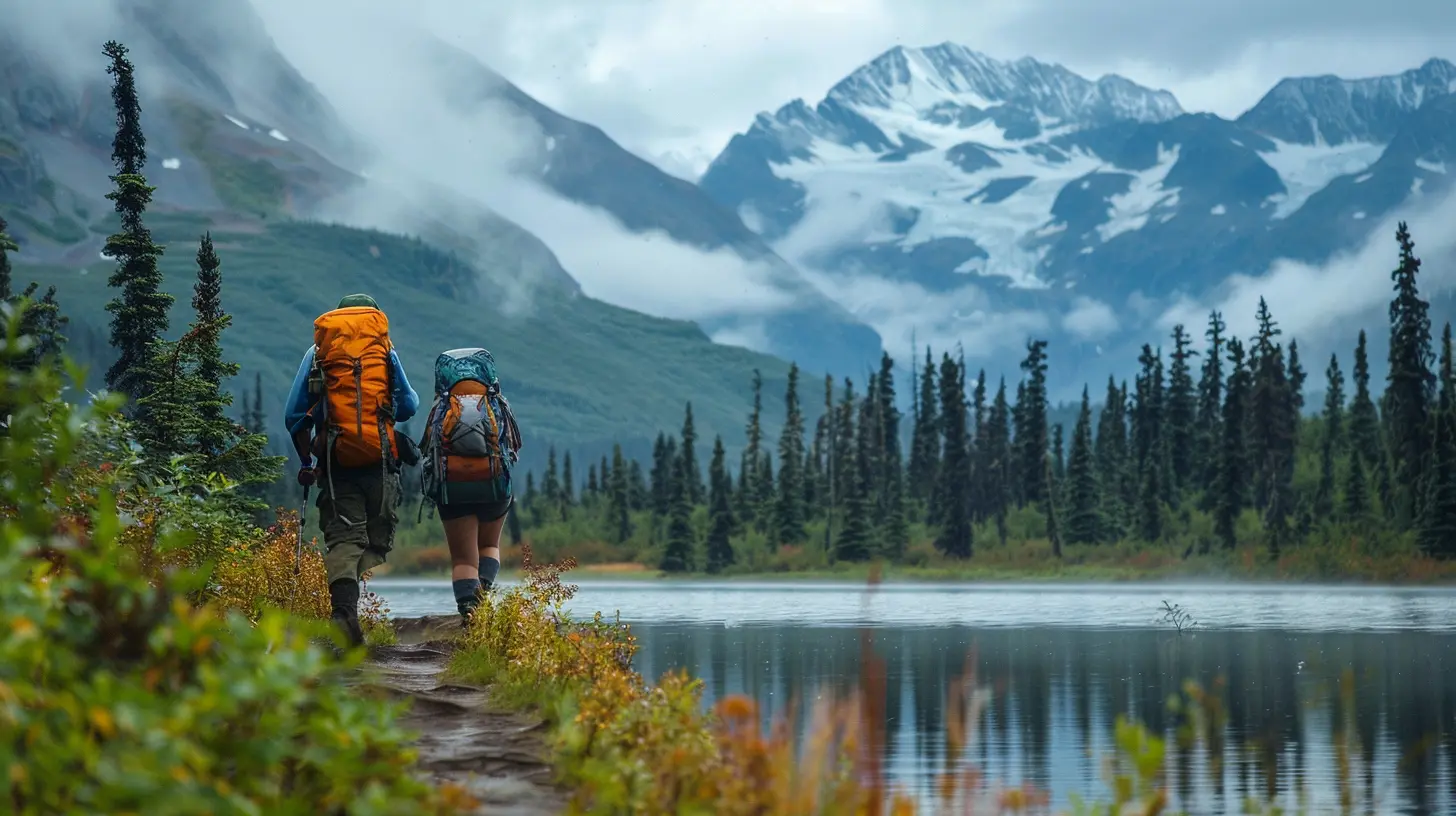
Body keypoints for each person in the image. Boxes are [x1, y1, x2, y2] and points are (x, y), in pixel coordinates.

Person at [284, 293, 419, 647]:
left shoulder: (318, 354)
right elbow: (409, 405)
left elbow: (293, 416)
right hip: (380, 464)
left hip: (336, 465)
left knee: (345, 540)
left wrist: (307, 462)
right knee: (374, 541)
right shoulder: (384, 351)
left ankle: (343, 616)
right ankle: (347, 617)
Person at [418, 347, 522, 626]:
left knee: (463, 561)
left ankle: (469, 614)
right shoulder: (497, 403)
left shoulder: (441, 407)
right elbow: (512, 445)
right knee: (489, 545)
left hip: (452, 489)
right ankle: (480, 606)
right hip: (493, 485)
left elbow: (427, 448)